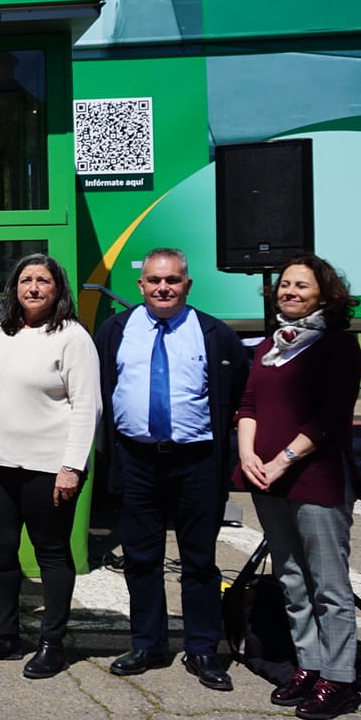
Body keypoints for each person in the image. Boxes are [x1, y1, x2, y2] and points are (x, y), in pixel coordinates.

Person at [97, 249, 249, 690]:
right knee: (140, 558)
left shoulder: (214, 334)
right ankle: (148, 644)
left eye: (173, 280)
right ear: (141, 285)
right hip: (137, 460)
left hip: (196, 461)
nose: (163, 288)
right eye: (154, 280)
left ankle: (203, 648)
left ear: (187, 284)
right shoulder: (115, 330)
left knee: (199, 560)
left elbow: (239, 390)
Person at [0, 253, 100, 680]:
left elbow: (87, 406)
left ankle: (52, 643)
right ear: (14, 288)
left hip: (50, 468)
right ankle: (5, 634)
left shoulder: (72, 337)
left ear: (57, 288)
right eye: (25, 280)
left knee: (51, 554)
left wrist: (72, 467)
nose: (33, 288)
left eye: (43, 281)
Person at [233, 255, 361, 720]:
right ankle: (309, 665)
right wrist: (248, 456)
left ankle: (340, 679)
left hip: (315, 477)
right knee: (291, 578)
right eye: (285, 284)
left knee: (328, 584)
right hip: (265, 477)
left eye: (301, 286)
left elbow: (330, 418)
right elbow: (248, 405)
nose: (289, 292)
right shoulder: (270, 346)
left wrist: (281, 460)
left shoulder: (338, 347)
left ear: (325, 296)